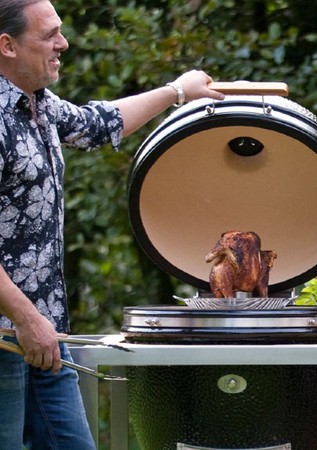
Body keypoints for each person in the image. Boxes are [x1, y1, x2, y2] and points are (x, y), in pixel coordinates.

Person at [0, 0, 224, 447]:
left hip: (43, 332)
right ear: (6, 45)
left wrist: (177, 91)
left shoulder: (37, 105)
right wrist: (25, 319)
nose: (62, 43)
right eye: (48, 35)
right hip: (12, 333)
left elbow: (99, 124)